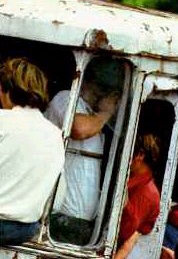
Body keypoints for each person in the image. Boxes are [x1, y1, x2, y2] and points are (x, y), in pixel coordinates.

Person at [0, 58, 66, 246]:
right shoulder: (55, 134)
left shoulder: (11, 123)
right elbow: (57, 199)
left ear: (6, 91)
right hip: (27, 230)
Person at [46, 60, 123, 244]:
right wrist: (106, 113)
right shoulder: (66, 98)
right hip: (60, 213)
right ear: (88, 82)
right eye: (102, 88)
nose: (103, 94)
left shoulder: (93, 116)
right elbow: (78, 129)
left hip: (81, 220)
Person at [116, 134, 162, 254]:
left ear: (140, 155)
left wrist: (124, 201)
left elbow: (125, 230)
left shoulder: (147, 193)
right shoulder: (134, 180)